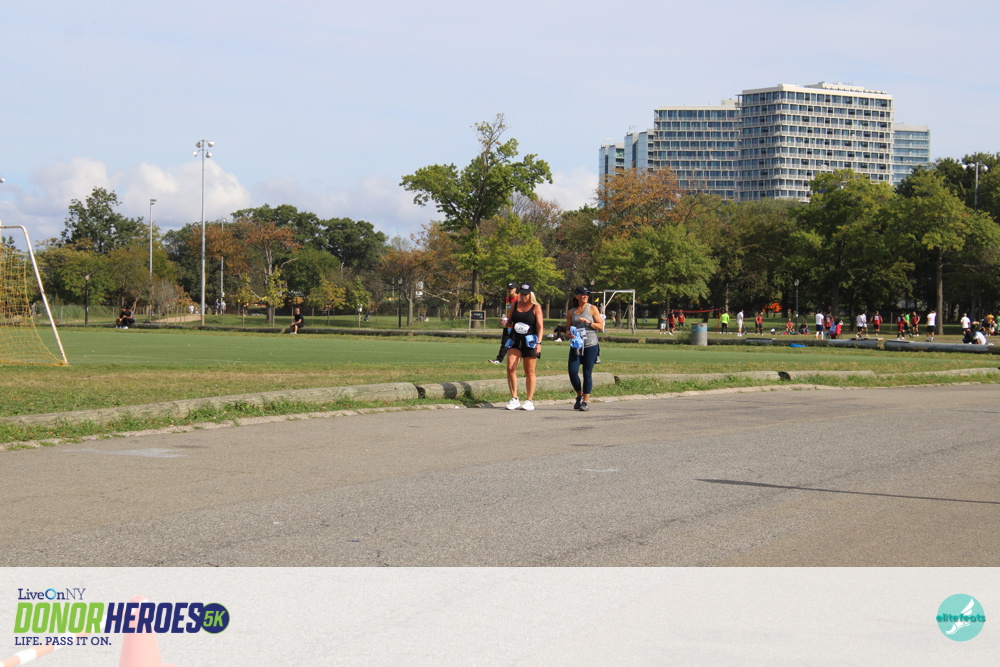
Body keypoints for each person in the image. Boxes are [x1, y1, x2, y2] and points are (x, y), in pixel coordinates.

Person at [503, 283, 543, 411]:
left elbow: (540, 327)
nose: (524, 296)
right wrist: (505, 323)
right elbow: (509, 322)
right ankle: (514, 398)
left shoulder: (536, 307)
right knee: (510, 367)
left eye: (526, 294)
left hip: (530, 342)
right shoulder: (514, 305)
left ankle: (529, 400)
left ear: (531, 295)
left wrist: (539, 343)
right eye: (522, 293)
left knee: (529, 371)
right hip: (515, 340)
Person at [566, 286, 604, 412]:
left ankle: (585, 402)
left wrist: (588, 322)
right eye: (583, 294)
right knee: (572, 372)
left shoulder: (592, 308)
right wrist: (569, 334)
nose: (585, 296)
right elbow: (568, 329)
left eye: (587, 294)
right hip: (576, 345)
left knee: (587, 373)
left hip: (590, 345)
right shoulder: (571, 312)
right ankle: (579, 395)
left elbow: (600, 326)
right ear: (576, 296)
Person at [490, 283, 519, 364]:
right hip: (508, 325)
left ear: (515, 289)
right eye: (509, 288)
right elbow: (508, 311)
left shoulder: (519, 298)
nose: (510, 290)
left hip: (516, 325)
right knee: (504, 343)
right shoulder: (507, 299)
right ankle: (499, 360)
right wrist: (504, 319)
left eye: (512, 288)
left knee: (517, 344)